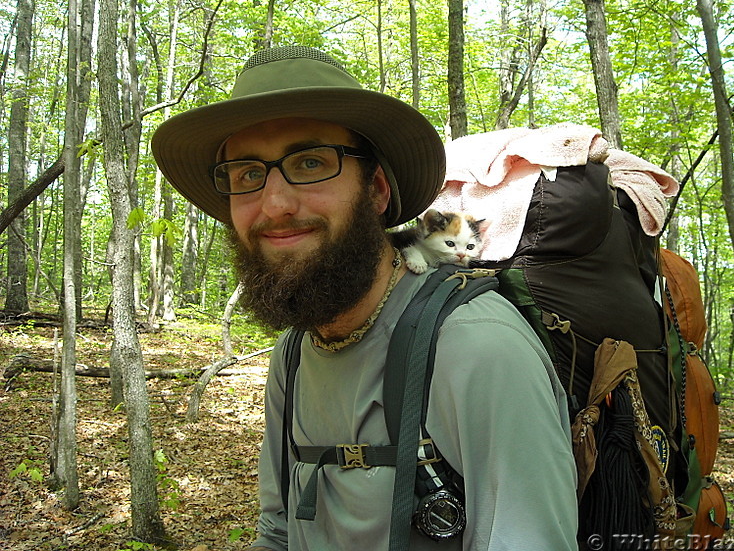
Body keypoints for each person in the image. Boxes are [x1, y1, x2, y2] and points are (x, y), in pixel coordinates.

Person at [152, 46, 578, 551]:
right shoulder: (295, 352)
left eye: (310, 162)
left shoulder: (475, 347)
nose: (275, 204)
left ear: (376, 190)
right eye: (247, 174)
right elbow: (277, 528)